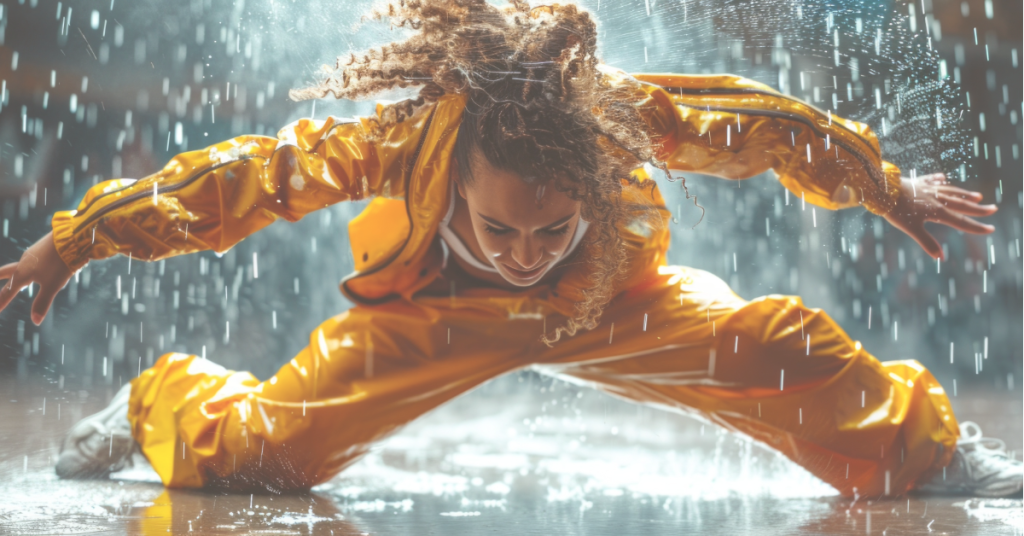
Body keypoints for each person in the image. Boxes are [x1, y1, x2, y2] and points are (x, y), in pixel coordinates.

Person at [2, 0, 1018, 498]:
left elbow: (756, 125)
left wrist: (881, 184)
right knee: (261, 456)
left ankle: (931, 451)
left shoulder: (615, 116)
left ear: (587, 186)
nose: (525, 250)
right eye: (501, 228)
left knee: (780, 339)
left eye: (549, 226)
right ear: (455, 191)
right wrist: (75, 238)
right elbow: (241, 178)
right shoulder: (400, 143)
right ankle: (153, 397)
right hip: (436, 312)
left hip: (612, 301)